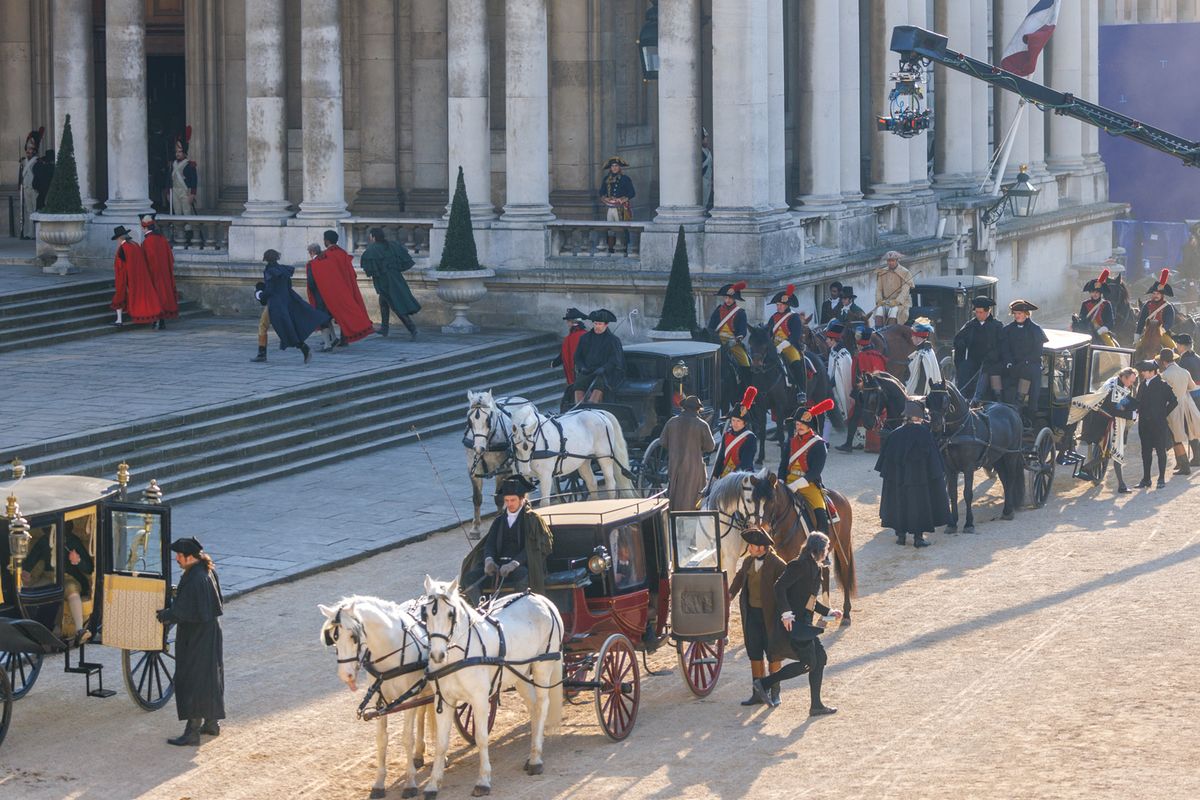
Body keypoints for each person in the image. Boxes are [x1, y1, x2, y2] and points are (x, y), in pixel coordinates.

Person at [750, 531, 840, 713]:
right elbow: (779, 586)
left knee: (820, 659)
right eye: (826, 548)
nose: (827, 551)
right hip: (795, 624)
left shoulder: (814, 567)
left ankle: (816, 705)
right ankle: (764, 683)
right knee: (809, 663)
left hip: (804, 625)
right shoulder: (799, 565)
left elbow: (810, 600)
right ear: (819, 549)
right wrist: (786, 613)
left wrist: (828, 611)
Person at [157, 537, 225, 746]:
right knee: (209, 676)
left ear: (189, 557)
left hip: (195, 636)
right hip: (209, 632)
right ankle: (211, 722)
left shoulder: (195, 578)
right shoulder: (207, 571)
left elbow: (183, 610)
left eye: (179, 555)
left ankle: (192, 731)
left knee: (192, 678)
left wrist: (165, 614)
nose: (177, 559)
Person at [460, 474, 554, 603]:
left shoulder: (532, 520)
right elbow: (490, 544)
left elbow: (534, 547)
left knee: (522, 577)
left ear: (522, 499)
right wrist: (489, 561)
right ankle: (481, 609)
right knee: (470, 578)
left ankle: (517, 608)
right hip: (498, 566)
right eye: (507, 500)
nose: (509, 504)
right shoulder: (499, 521)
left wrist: (513, 564)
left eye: (513, 500)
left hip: (522, 566)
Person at [874, 400, 951, 548]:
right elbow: (934, 462)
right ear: (917, 417)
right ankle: (918, 538)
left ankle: (901, 536)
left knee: (899, 504)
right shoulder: (924, 434)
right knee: (919, 506)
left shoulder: (894, 435)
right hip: (919, 481)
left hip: (898, 481)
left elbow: (887, 463)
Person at [727, 527, 787, 706]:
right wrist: (730, 595)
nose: (750, 548)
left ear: (761, 547)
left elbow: (786, 588)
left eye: (752, 546)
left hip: (771, 616)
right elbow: (738, 579)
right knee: (754, 652)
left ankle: (775, 692)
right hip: (751, 614)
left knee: (773, 654)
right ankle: (758, 692)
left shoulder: (778, 564)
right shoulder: (747, 562)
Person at [22, 520, 95, 645]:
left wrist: (78, 561)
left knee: (72, 593)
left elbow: (89, 567)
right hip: (48, 577)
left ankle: (80, 630)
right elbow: (32, 559)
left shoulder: (73, 541)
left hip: (69, 578)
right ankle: (28, 624)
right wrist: (26, 571)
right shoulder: (44, 541)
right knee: (29, 591)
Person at [1070, 367, 1137, 493]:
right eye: (1131, 381)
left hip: (1104, 421)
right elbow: (1113, 409)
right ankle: (1120, 485)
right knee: (1114, 452)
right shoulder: (1114, 389)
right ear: (1123, 377)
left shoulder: (1114, 382)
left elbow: (1121, 403)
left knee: (1108, 453)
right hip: (1106, 424)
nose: (1131, 384)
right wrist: (1131, 415)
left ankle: (1087, 468)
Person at [253, 249, 328, 364]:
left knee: (271, 327)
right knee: (287, 327)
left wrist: (260, 295)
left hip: (274, 304)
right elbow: (287, 286)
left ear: (266, 258)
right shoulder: (283, 269)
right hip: (285, 302)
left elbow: (270, 290)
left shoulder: (270, 271)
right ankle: (301, 348)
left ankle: (262, 353)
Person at [307, 231, 375, 348]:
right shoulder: (342, 253)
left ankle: (332, 342)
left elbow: (322, 275)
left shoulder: (325, 256)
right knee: (345, 312)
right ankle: (343, 338)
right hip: (346, 286)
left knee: (328, 314)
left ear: (326, 241)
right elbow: (351, 273)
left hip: (329, 290)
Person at [778, 398, 835, 533]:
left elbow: (815, 472)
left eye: (802, 424)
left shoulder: (819, 444)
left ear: (810, 426)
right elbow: (783, 463)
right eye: (797, 424)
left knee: (821, 515)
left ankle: (822, 547)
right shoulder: (790, 442)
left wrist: (797, 485)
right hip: (787, 483)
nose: (799, 427)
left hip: (808, 486)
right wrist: (780, 480)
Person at [659, 395, 717, 510]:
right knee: (693, 496)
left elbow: (662, 442)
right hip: (694, 468)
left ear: (684, 407)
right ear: (697, 409)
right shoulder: (702, 424)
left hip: (674, 465)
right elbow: (711, 446)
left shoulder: (671, 422)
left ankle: (675, 517)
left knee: (676, 494)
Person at [360, 227, 420, 339]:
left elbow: (371, 270)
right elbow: (404, 262)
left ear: (373, 237)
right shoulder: (392, 245)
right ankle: (384, 328)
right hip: (396, 277)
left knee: (395, 304)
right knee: (384, 302)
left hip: (385, 281)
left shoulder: (372, 250)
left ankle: (412, 329)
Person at [837, 327, 888, 453]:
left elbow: (857, 375)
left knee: (854, 417)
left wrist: (856, 390)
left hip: (865, 392)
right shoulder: (877, 355)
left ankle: (849, 444)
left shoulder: (861, 357)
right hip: (876, 392)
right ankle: (858, 442)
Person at [1002, 300, 1049, 421]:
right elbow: (1005, 348)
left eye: (1020, 313)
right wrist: (1009, 362)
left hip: (1030, 364)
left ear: (1026, 314)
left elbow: (1037, 352)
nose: (1017, 316)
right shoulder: (1008, 329)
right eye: (1015, 313)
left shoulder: (1035, 329)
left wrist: (1025, 362)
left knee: (1030, 373)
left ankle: (1029, 413)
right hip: (1013, 364)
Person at [953, 296, 1006, 402]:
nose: (978, 315)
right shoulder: (970, 325)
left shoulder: (997, 326)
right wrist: (961, 343)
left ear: (988, 311)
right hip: (973, 360)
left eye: (980, 312)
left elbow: (1002, 346)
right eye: (976, 312)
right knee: (964, 369)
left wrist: (993, 355)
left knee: (987, 375)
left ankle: (990, 399)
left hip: (991, 362)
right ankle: (961, 398)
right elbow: (958, 340)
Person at [1133, 359, 1177, 489]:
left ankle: (1161, 478)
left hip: (1158, 424)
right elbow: (1138, 401)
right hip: (1144, 424)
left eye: (1145, 371)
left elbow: (1174, 401)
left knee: (1160, 451)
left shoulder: (1163, 385)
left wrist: (1163, 413)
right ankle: (1146, 479)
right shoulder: (1142, 385)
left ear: (1152, 372)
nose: (1142, 374)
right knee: (1145, 451)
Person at [109, 225, 163, 327]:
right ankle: (155, 318)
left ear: (120, 238)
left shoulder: (123, 249)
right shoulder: (135, 245)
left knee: (119, 297)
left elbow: (121, 266)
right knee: (145, 298)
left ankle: (119, 320)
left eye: (117, 239)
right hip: (140, 276)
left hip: (128, 277)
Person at [1157, 348, 1200, 476]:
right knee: (1189, 432)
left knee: (1176, 438)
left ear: (1163, 361)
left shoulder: (1164, 376)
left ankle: (1184, 465)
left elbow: (1162, 396)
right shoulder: (1185, 371)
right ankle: (1184, 462)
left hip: (1173, 408)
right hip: (1187, 405)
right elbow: (1192, 387)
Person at [572, 309, 626, 403]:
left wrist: (604, 368)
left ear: (606, 324)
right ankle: (578, 406)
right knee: (578, 384)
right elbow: (577, 356)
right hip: (587, 370)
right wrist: (581, 367)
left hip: (605, 373)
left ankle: (593, 404)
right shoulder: (585, 338)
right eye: (595, 323)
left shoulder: (613, 340)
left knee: (599, 384)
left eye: (600, 324)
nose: (597, 326)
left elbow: (615, 359)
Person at [140, 214, 179, 330]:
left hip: (153, 273)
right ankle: (161, 321)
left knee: (154, 296)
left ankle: (155, 320)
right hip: (165, 272)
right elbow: (170, 258)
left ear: (144, 228)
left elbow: (146, 260)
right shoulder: (162, 239)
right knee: (163, 295)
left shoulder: (147, 242)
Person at [768, 284, 808, 390]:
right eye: (777, 305)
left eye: (781, 305)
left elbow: (795, 336)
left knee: (796, 364)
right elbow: (768, 332)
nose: (778, 307)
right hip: (774, 346)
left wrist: (781, 346)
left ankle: (801, 391)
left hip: (789, 346)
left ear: (787, 305)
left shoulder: (794, 317)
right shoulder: (773, 317)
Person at [711, 388, 757, 479]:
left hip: (741, 477)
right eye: (733, 420)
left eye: (738, 421)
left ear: (745, 423)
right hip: (724, 476)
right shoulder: (727, 435)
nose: (735, 424)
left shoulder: (750, 438)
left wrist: (729, 479)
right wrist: (715, 476)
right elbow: (720, 459)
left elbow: (745, 464)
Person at [708, 282, 750, 377]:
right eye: (726, 297)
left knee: (745, 361)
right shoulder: (718, 311)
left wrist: (736, 340)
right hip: (717, 342)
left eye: (730, 298)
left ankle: (746, 385)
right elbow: (711, 327)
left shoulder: (740, 312)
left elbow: (742, 331)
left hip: (732, 343)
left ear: (734, 298)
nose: (728, 300)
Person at [599, 155, 636, 254]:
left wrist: (622, 199)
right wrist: (606, 198)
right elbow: (601, 193)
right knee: (610, 228)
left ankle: (623, 248)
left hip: (621, 208)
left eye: (616, 166)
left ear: (619, 167)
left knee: (621, 228)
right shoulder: (606, 179)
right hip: (610, 207)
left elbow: (632, 193)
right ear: (610, 168)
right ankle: (611, 248)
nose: (614, 168)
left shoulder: (625, 179)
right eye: (612, 166)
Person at [1072, 269, 1117, 347]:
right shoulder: (1085, 304)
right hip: (1087, 331)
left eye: (1097, 292)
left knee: (1111, 347)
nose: (1095, 294)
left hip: (1102, 332)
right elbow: (1082, 317)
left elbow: (1111, 322)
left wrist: (1102, 329)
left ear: (1100, 293)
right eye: (1093, 292)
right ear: (1090, 293)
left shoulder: (1106, 304)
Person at [551, 308, 589, 399]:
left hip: (577, 375)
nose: (567, 324)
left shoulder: (570, 338)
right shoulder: (586, 335)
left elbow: (564, 354)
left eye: (568, 321)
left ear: (572, 322)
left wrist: (555, 363)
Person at [872, 250, 915, 328]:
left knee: (893, 311)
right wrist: (879, 300)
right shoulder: (882, 272)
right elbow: (879, 289)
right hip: (885, 301)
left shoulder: (905, 272)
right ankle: (878, 332)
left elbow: (905, 291)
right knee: (879, 311)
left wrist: (897, 301)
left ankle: (891, 332)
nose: (890, 263)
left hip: (901, 303)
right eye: (888, 261)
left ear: (897, 260)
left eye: (892, 260)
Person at [170, 128, 199, 243]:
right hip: (175, 191)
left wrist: (193, 194)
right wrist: (168, 192)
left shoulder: (189, 165)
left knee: (186, 213)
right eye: (176, 152)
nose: (177, 154)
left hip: (185, 192)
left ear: (185, 152)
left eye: (180, 151)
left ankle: (188, 236)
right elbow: (170, 180)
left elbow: (194, 181)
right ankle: (179, 235)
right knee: (177, 213)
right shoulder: (172, 164)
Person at [1136, 269, 1177, 350]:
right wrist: (1137, 334)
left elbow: (1169, 322)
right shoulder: (1147, 305)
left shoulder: (1168, 306)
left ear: (1162, 295)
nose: (1155, 295)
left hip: (1162, 333)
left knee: (1174, 348)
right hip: (1147, 333)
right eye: (1154, 293)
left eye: (1158, 293)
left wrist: (1160, 331)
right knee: (1137, 348)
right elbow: (1141, 321)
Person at [905, 318, 943, 396]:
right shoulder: (927, 351)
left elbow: (924, 377)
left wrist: (917, 393)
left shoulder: (923, 355)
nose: (911, 338)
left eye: (913, 336)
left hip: (920, 394)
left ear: (918, 338)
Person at [18, 127, 43, 239]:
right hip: (26, 189)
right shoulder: (24, 162)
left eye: (31, 149)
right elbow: (21, 176)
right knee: (29, 211)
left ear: (35, 151)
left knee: (35, 211)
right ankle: (29, 233)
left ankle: (36, 233)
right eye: (27, 149)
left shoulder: (37, 162)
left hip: (34, 189)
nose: (28, 151)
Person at [700, 129, 713, 210]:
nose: (706, 140)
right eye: (705, 138)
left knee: (706, 198)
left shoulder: (707, 150)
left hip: (708, 178)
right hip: (703, 178)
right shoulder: (699, 151)